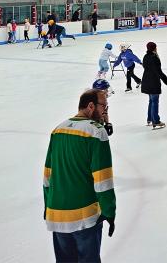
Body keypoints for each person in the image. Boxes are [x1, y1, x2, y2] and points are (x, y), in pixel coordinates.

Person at [44, 89, 116, 261]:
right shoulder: (96, 132)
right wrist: (109, 211)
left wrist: (48, 205)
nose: (105, 112)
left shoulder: (58, 129)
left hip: (56, 214)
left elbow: (48, 175)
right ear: (91, 106)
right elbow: (102, 180)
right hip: (84, 216)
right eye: (103, 107)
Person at [141, 42, 167, 129]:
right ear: (154, 48)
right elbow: (158, 71)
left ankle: (149, 119)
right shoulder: (155, 58)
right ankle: (156, 121)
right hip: (153, 82)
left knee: (151, 101)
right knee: (154, 102)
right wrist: (166, 80)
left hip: (146, 81)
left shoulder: (145, 56)